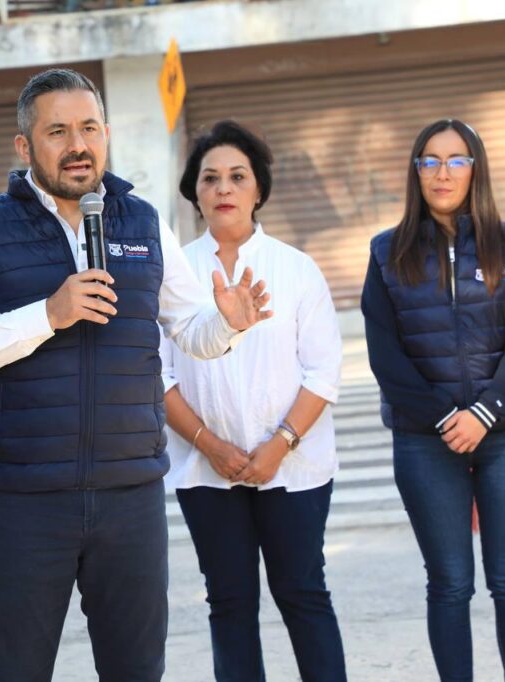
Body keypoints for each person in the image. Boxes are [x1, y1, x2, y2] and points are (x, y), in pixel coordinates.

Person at [0, 69, 272, 682]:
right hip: (26, 497)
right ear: (25, 146)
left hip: (129, 493)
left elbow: (188, 330)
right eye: (57, 131)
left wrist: (225, 322)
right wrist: (47, 314)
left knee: (137, 669)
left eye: (89, 128)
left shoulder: (143, 223)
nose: (78, 145)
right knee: (14, 668)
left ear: (107, 134)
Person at [161, 120, 347, 681]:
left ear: (257, 190)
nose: (223, 188)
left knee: (302, 593)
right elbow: (156, 376)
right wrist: (211, 445)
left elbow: (323, 371)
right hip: (205, 469)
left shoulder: (295, 270)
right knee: (230, 602)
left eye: (237, 177)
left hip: (294, 469)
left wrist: (279, 445)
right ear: (194, 191)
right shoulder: (172, 275)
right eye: (210, 178)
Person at [362, 118, 505, 681]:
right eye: (430, 161)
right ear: (416, 171)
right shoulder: (387, 252)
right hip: (426, 440)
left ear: (475, 169)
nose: (443, 172)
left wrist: (484, 413)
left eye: (456, 160)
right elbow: (386, 356)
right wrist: (447, 417)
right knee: (448, 583)